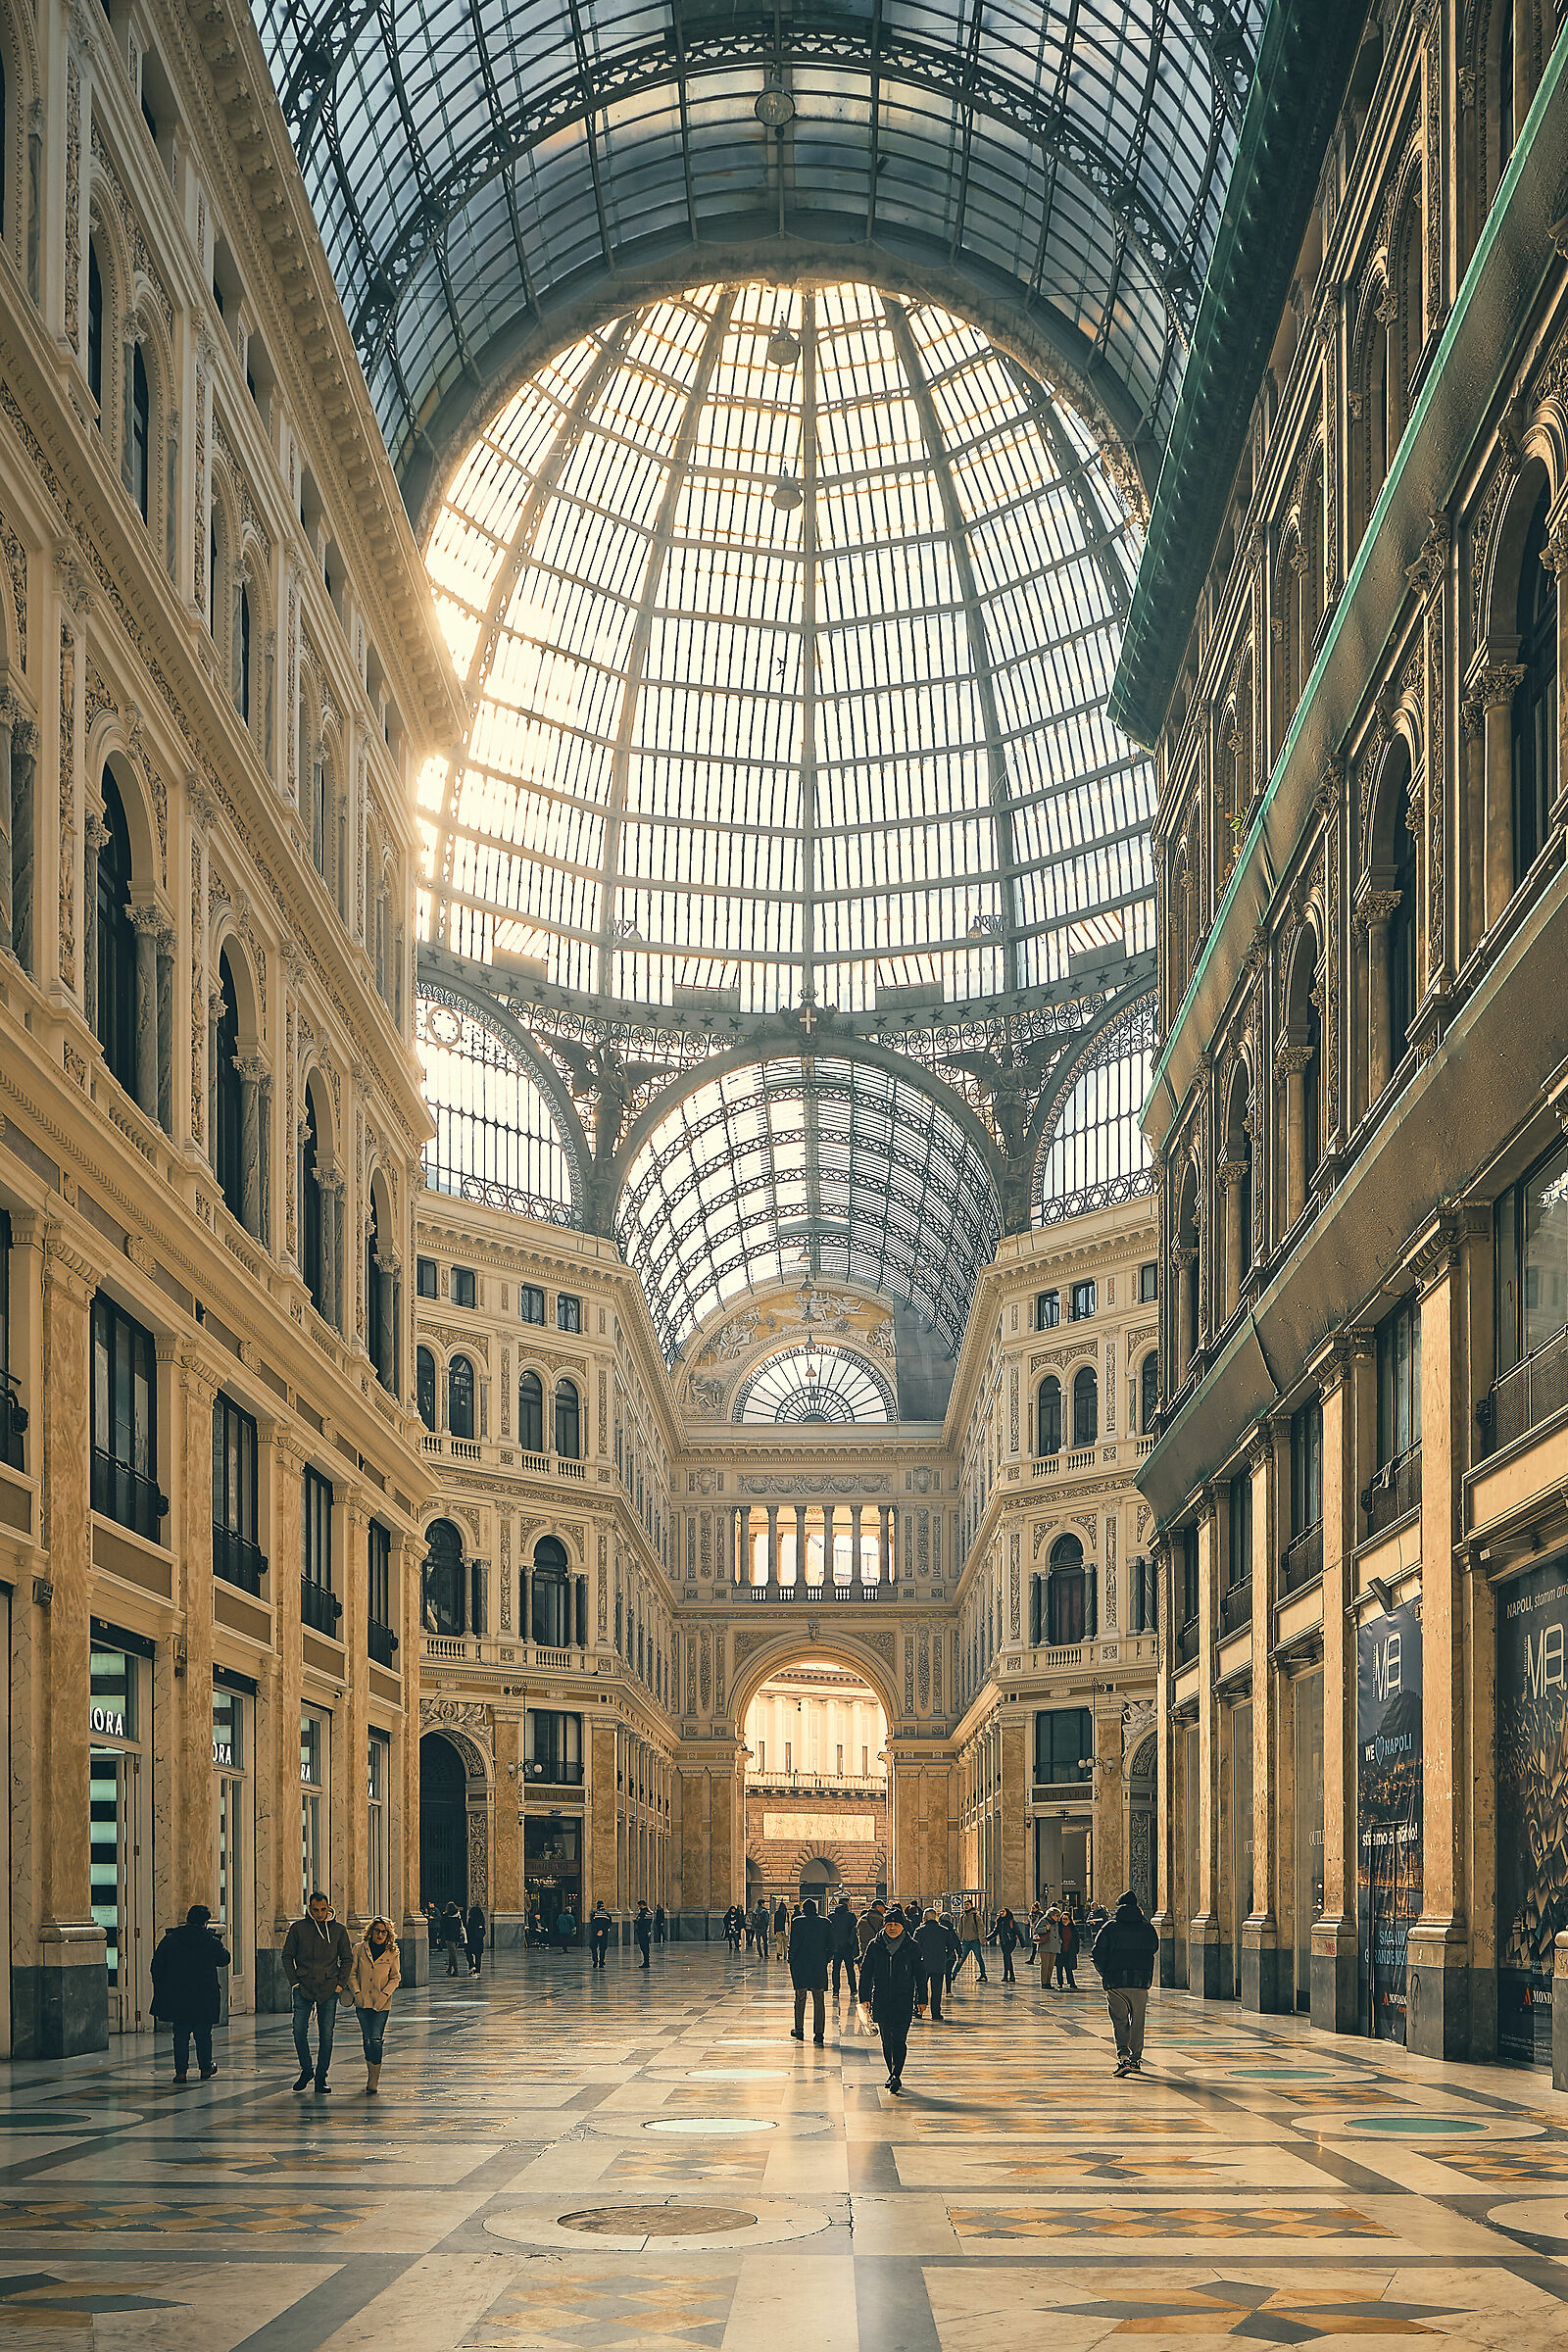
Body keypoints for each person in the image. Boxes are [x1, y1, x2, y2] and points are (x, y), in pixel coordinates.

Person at [150, 1903, 230, 2084]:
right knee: (203, 2034)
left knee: (180, 2034)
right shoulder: (210, 1941)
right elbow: (225, 1959)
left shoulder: (170, 1939)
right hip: (204, 1996)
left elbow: (156, 1966)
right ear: (205, 1922)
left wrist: (163, 1986)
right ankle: (205, 2068)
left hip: (179, 1996)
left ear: (187, 1919)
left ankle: (181, 2072)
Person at [282, 1891, 352, 2093]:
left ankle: (321, 2076)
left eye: (323, 1909)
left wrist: (340, 1984)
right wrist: (294, 1982)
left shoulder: (338, 1930)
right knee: (298, 2030)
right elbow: (287, 1956)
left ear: (329, 1907)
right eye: (315, 1910)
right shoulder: (298, 1929)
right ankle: (306, 2069)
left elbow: (347, 1958)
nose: (320, 1914)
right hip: (303, 1986)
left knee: (326, 2034)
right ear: (309, 1909)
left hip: (329, 1988)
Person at [1091, 1887, 1159, 2077]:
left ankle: (1123, 2057)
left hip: (1116, 1982)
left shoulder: (1110, 1927)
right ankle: (1136, 2059)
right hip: (1140, 1982)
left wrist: (1105, 1972)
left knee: (1120, 2021)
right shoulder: (1147, 1927)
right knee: (1138, 2022)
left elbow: (1097, 1953)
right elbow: (1154, 1947)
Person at [858, 1905, 926, 2092]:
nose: (893, 1927)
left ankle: (896, 2075)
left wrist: (922, 1998)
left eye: (896, 1924)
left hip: (904, 1999)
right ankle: (892, 2073)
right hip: (881, 1999)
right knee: (887, 2041)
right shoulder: (875, 1945)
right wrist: (864, 1998)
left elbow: (920, 1974)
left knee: (900, 2040)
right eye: (889, 1924)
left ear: (903, 1926)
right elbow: (866, 1974)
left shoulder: (912, 1946)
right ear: (884, 1925)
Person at [347, 1916, 401, 2094]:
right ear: (371, 1932)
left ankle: (374, 2078)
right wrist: (356, 1992)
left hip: (381, 2003)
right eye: (377, 1931)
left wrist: (385, 1994)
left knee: (376, 2039)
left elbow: (395, 1977)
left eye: (384, 1932)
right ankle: (370, 2070)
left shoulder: (392, 1952)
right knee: (367, 2038)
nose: (380, 1935)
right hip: (362, 2002)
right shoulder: (359, 1949)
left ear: (388, 1934)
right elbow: (352, 1973)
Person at [788, 1894, 831, 2045]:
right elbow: (831, 1945)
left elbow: (793, 1944)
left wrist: (791, 1959)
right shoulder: (825, 1922)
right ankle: (819, 2033)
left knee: (800, 1998)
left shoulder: (797, 1922)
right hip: (818, 1965)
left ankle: (799, 2030)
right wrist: (826, 1959)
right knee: (819, 2000)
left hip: (801, 1965)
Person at [913, 1910, 951, 2023]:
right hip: (938, 1964)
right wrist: (945, 1958)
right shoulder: (944, 1931)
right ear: (936, 1918)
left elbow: (914, 1947)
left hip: (923, 1964)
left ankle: (919, 2011)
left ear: (924, 1918)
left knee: (920, 1988)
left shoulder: (919, 1931)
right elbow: (951, 1947)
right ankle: (936, 2013)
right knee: (937, 1990)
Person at [827, 1896, 859, 2001]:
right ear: (846, 1904)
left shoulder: (831, 1916)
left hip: (835, 1948)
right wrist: (852, 1944)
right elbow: (854, 1931)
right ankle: (853, 1989)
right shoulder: (851, 1916)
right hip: (847, 1947)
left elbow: (828, 1932)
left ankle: (835, 1991)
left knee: (835, 1969)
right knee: (850, 1969)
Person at [956, 1899, 988, 1982]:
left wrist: (982, 1938)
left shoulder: (976, 1916)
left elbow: (980, 1928)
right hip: (966, 1942)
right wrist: (958, 1939)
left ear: (971, 1905)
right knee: (961, 1958)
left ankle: (983, 1975)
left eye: (968, 1904)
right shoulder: (962, 1917)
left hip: (975, 1941)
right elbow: (960, 1928)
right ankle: (954, 1974)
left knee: (979, 1958)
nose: (966, 1906)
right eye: (965, 1904)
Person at [440, 1900, 466, 1977]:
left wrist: (439, 1936)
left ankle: (456, 1970)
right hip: (457, 1936)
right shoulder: (458, 1916)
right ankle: (449, 1969)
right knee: (452, 1953)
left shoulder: (445, 1916)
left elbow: (443, 1927)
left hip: (449, 1937)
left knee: (452, 1954)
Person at [995, 1908, 1021, 1984]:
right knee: (1008, 1958)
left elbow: (1019, 1932)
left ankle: (1006, 1975)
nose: (1001, 1912)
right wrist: (987, 1938)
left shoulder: (1011, 1921)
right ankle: (1012, 1976)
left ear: (1007, 1913)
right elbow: (995, 1932)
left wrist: (1023, 1944)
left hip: (1011, 1942)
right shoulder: (999, 1921)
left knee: (1006, 1956)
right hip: (1003, 1942)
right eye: (1001, 1911)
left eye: (1003, 1911)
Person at [1037, 1908, 1061, 1987]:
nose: (1058, 1917)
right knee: (1045, 1966)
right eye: (1057, 1915)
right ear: (1051, 1915)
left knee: (1051, 1966)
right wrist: (1045, 1929)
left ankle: (1048, 1982)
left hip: (1054, 1947)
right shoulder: (1044, 1920)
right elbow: (1036, 1930)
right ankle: (1044, 1983)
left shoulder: (1057, 1923)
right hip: (1045, 1946)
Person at [1058, 1906, 1080, 1990]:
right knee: (1059, 1968)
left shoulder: (1073, 1928)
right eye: (1063, 1919)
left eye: (1066, 1919)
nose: (1064, 1921)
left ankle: (1071, 1982)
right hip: (1060, 1950)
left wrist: (1076, 1950)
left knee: (1069, 1967)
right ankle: (1060, 1983)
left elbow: (1076, 1939)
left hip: (1069, 1950)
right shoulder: (1059, 1927)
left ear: (1070, 1920)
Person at [589, 1900, 612, 1969]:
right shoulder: (607, 1914)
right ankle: (601, 1962)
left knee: (593, 1947)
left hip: (595, 1933)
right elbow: (609, 1923)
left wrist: (597, 1930)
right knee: (602, 1948)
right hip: (604, 1933)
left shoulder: (594, 1913)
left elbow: (593, 1923)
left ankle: (595, 1961)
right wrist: (603, 1930)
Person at [466, 1902, 486, 1977]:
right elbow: (484, 1931)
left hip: (471, 1940)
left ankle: (472, 1965)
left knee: (468, 1953)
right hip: (479, 1940)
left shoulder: (471, 1920)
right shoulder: (481, 1920)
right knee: (478, 1956)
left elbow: (468, 1930)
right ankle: (478, 1970)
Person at [635, 1901, 653, 1967]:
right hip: (647, 1931)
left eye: (639, 1906)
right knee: (646, 1947)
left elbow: (639, 1921)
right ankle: (647, 1961)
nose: (639, 1907)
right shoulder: (649, 1913)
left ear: (642, 1905)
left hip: (642, 1932)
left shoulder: (642, 1913)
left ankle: (646, 1963)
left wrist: (635, 1920)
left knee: (643, 1947)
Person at [774, 1896, 790, 1961]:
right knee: (785, 1944)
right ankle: (785, 1955)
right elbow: (788, 1922)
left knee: (779, 1943)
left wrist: (775, 1931)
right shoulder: (786, 1913)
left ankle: (779, 1953)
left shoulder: (777, 1913)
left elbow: (775, 1922)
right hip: (785, 1930)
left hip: (778, 1930)